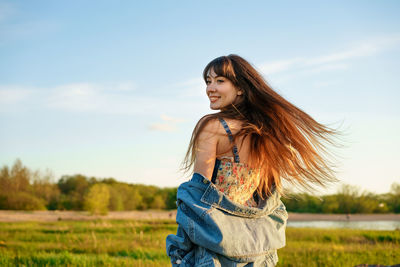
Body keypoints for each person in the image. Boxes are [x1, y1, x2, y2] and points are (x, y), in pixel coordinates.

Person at [166, 54, 342, 266]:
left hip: (215, 247)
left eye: (220, 81)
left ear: (240, 87)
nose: (210, 88)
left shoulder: (213, 127)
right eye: (208, 81)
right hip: (258, 248)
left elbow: (197, 195)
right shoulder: (267, 134)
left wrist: (180, 251)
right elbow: (270, 196)